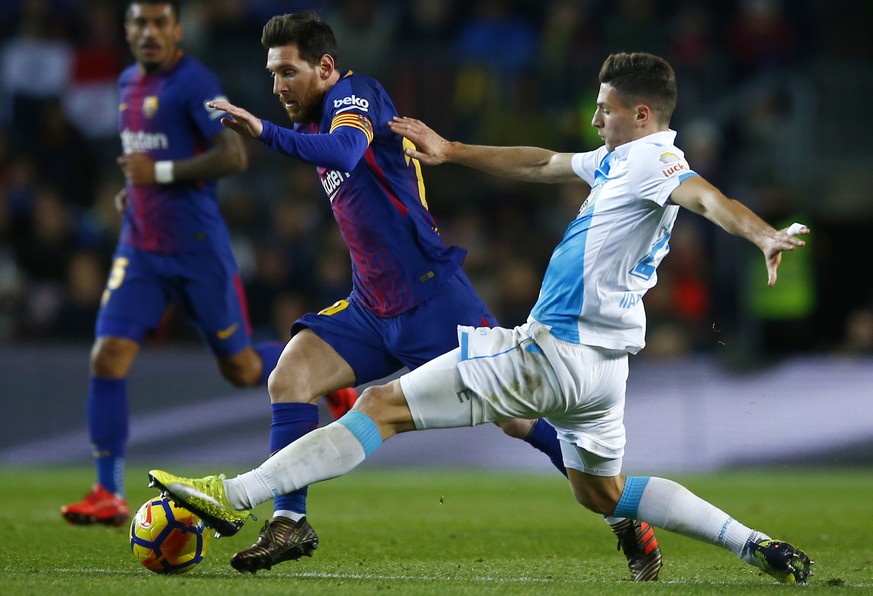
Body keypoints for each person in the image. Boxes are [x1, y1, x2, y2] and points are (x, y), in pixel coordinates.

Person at [149, 51, 813, 584]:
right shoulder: (618, 160)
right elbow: (543, 163)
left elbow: (704, 195)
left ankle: (228, 495)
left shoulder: (655, 157)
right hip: (603, 373)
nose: (593, 120)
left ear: (641, 114)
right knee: (603, 495)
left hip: (550, 351)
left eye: (605, 110)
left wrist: (758, 234)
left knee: (380, 406)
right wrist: (453, 149)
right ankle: (754, 545)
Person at [189, 12, 659, 579]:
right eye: (272, 75)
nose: (278, 86)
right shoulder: (312, 118)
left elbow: (343, 154)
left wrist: (260, 129)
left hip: (432, 297)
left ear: (327, 67)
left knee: (516, 419)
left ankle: (623, 515)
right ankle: (289, 520)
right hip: (371, 306)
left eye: (289, 72)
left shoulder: (354, 96)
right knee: (290, 377)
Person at [60, 0, 339, 527]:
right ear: (126, 30)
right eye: (139, 22)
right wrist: (133, 190)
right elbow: (146, 156)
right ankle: (106, 490)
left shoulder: (195, 83)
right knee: (107, 356)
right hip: (141, 248)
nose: (149, 32)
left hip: (196, 250)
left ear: (177, 30)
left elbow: (233, 155)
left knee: (242, 369)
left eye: (159, 22)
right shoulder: (127, 84)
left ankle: (321, 367)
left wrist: (158, 173)